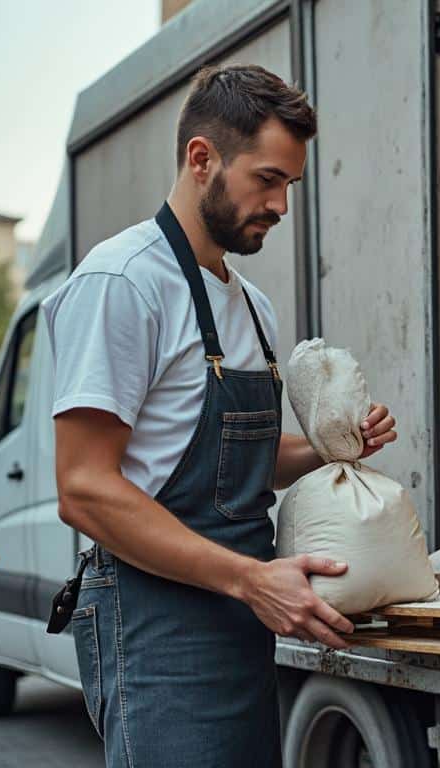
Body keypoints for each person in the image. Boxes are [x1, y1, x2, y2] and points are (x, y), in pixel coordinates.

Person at [42, 64, 396, 768]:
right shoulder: (122, 284)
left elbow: (238, 460)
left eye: (289, 185)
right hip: (155, 620)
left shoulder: (252, 308)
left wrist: (330, 449)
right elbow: (83, 488)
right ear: (202, 159)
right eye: (267, 180)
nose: (281, 206)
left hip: (239, 619)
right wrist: (248, 578)